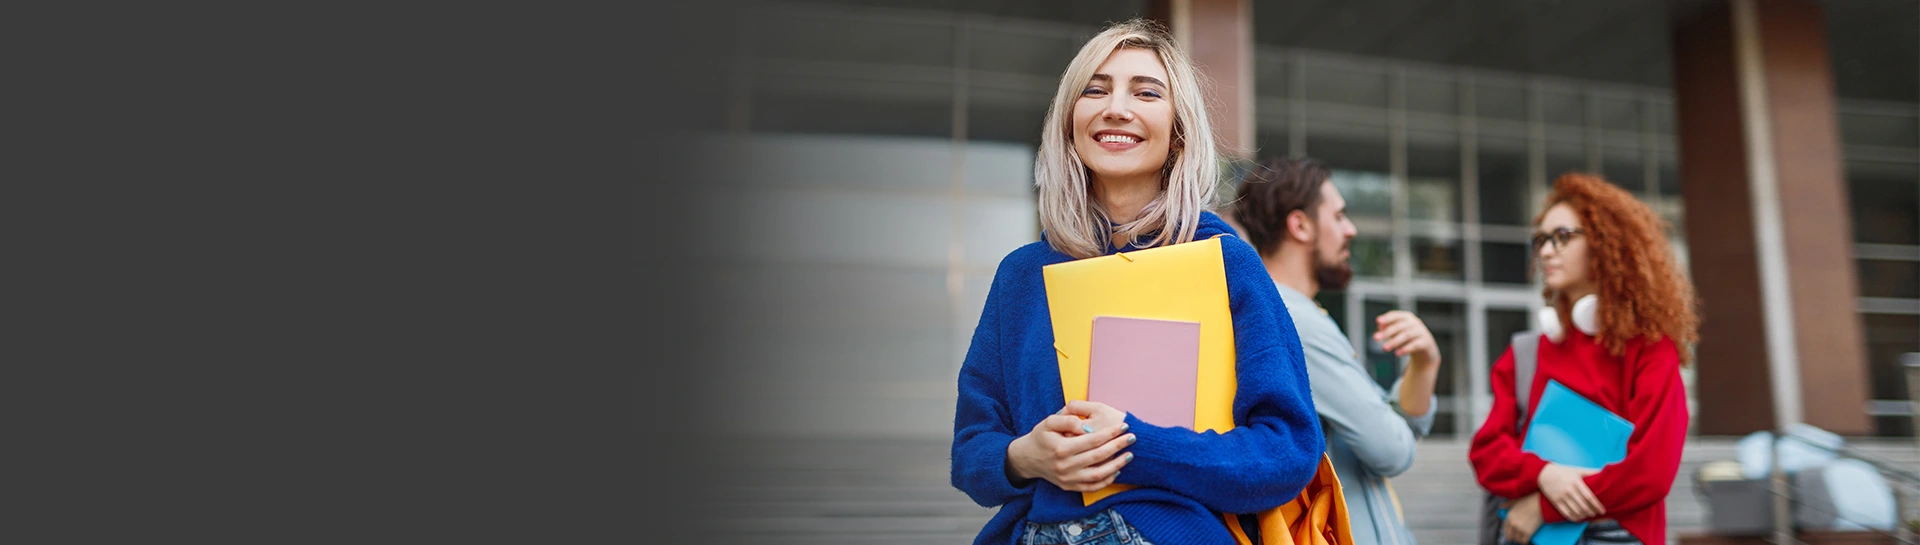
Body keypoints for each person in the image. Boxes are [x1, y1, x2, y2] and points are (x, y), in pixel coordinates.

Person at [949, 19, 1324, 545]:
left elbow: (1286, 452)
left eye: (1146, 92)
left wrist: (1134, 446)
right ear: (1069, 122)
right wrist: (1023, 456)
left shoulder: (1224, 263)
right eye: (1094, 90)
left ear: (1177, 132)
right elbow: (971, 448)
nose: (1115, 108)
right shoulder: (1022, 275)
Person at [1469, 173, 1697, 545]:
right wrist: (1545, 474)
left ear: (1607, 243)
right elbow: (1486, 452)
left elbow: (1651, 472)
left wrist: (1543, 507)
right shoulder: (1527, 353)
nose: (1545, 252)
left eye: (1562, 237)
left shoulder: (1650, 348)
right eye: (1541, 239)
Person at [1229, 157, 1442, 545]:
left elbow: (1388, 426)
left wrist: (1425, 363)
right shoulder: (1295, 320)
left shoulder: (1282, 311)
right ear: (1300, 225)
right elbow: (1390, 448)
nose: (1351, 230)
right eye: (1340, 216)